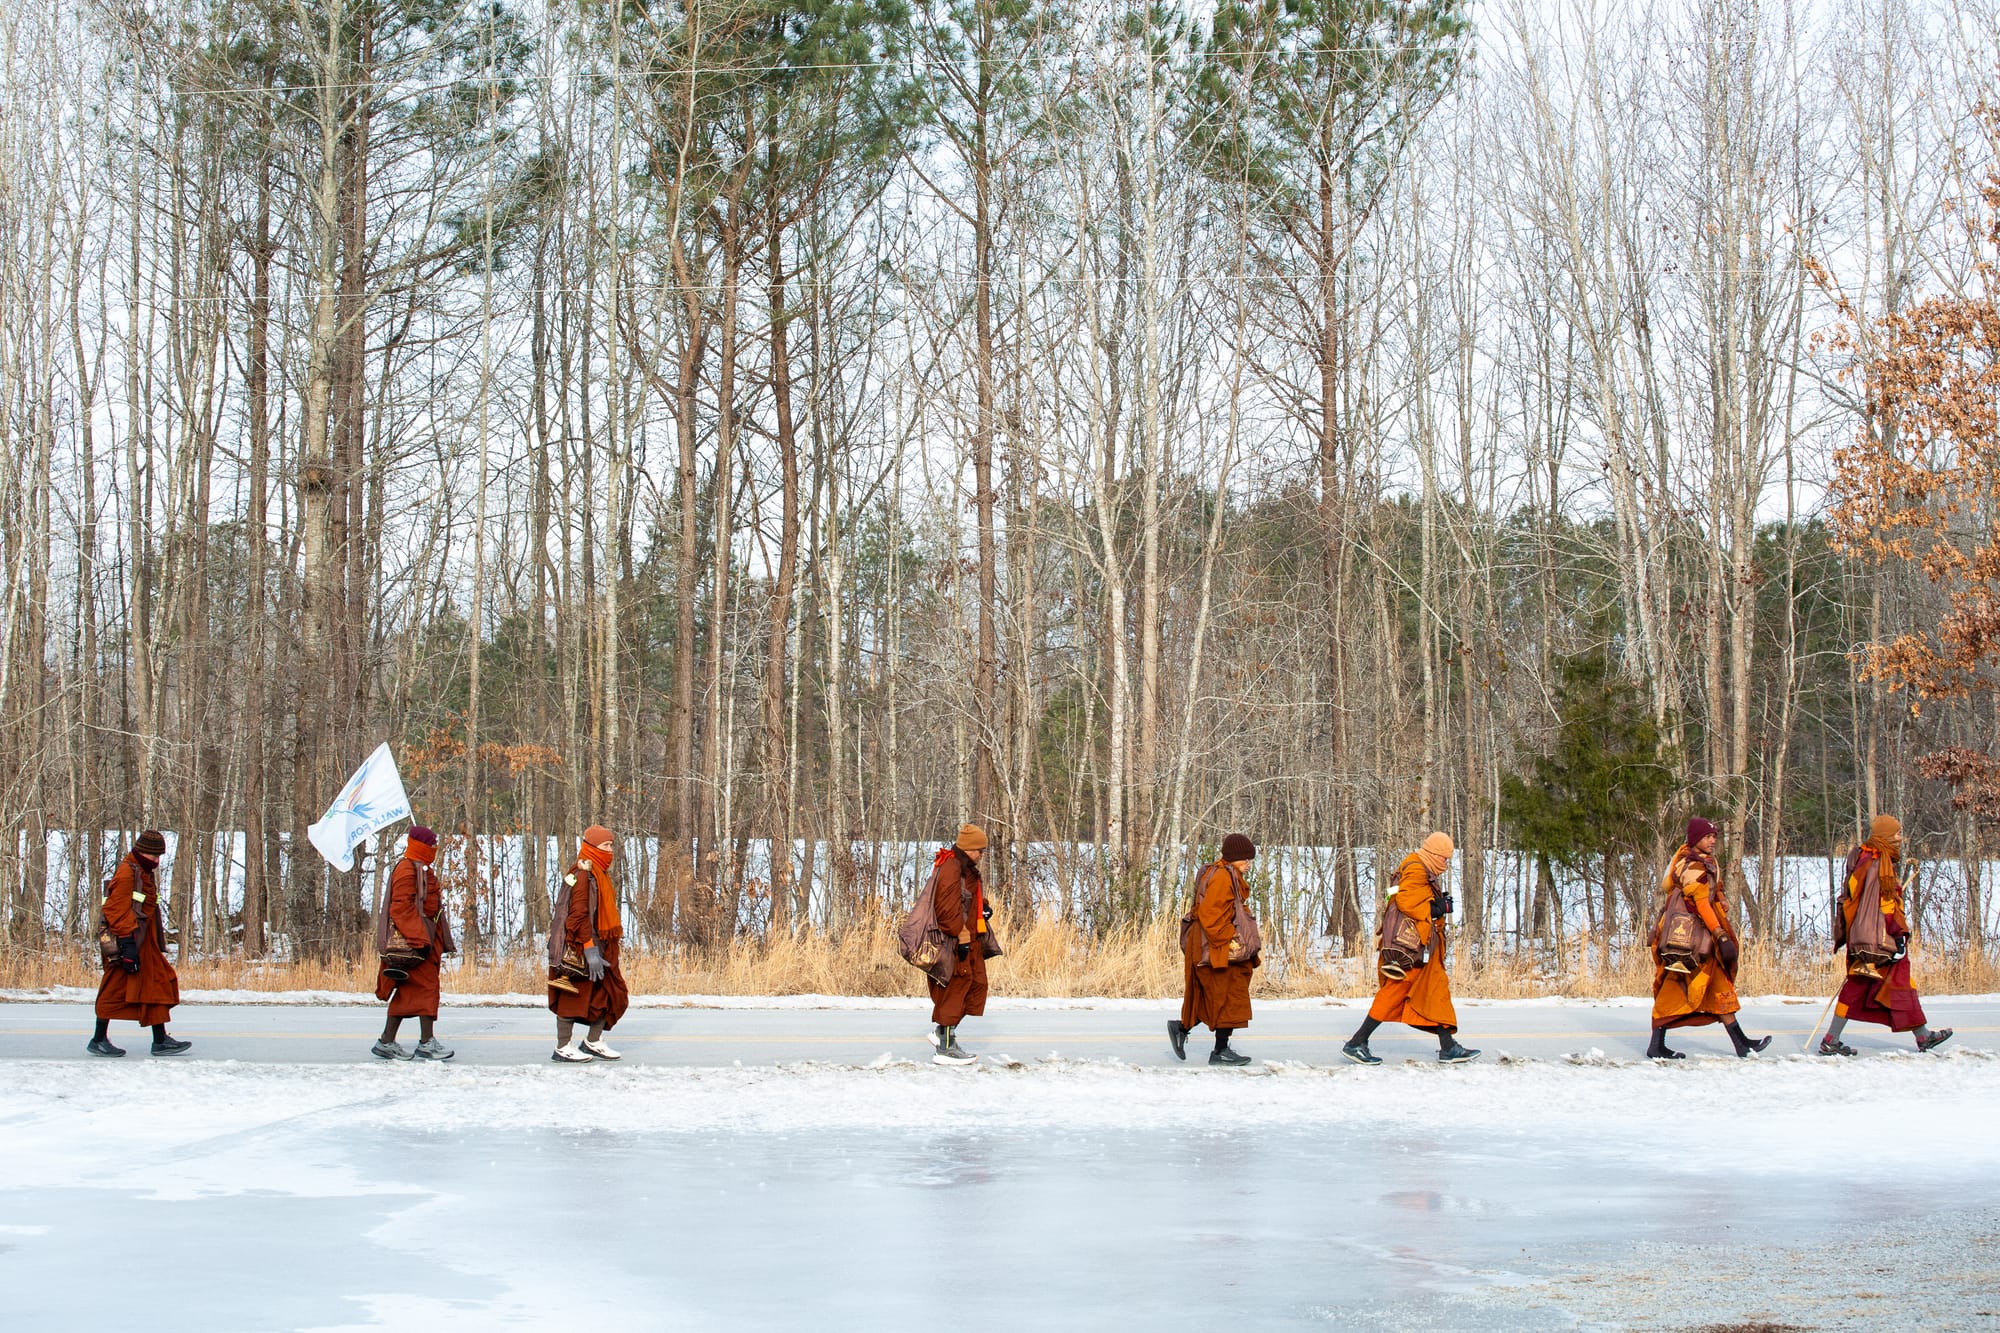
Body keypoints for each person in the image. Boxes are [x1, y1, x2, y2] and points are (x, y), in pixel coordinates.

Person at [1343, 832, 1479, 1065]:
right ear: (1434, 854)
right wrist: (1438, 908)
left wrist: (1436, 904)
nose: (1445, 863)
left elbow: (1405, 897)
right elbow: (1406, 902)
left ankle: (1448, 1047)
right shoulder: (1417, 869)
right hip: (1413, 949)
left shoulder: (1420, 867)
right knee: (1394, 992)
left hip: (1425, 947)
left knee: (1437, 991)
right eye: (1444, 858)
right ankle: (1357, 1042)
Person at [1821, 815, 1952, 1056]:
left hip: (1861, 936)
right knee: (1895, 983)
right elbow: (1886, 905)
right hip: (1880, 940)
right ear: (1886, 836)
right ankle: (1922, 1037)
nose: (1900, 838)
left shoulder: (1863, 858)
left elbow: (1854, 898)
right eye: (1897, 833)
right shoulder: (1879, 863)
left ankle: (1832, 1039)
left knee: (1867, 984)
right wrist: (1898, 935)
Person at [1646, 817, 1770, 1060]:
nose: (1712, 841)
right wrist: (1720, 935)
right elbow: (1702, 904)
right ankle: (1656, 1045)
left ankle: (1741, 1044)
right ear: (1695, 839)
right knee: (1675, 988)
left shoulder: (1704, 861)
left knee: (1718, 985)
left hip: (1701, 938)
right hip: (1688, 941)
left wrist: (1721, 896)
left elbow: (1714, 887)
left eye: (1714, 836)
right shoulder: (1693, 866)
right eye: (1707, 837)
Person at [88, 830, 190, 1057]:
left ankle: (160, 1040)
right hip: (129, 942)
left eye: (159, 856)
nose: (156, 861)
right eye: (154, 855)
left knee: (157, 983)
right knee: (113, 988)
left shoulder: (143, 872)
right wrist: (128, 947)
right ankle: (98, 1039)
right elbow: (115, 910)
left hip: (145, 942)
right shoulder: (127, 873)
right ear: (142, 852)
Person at [1169, 832, 1260, 1067]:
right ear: (1233, 858)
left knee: (1220, 997)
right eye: (1245, 859)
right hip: (1216, 948)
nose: (1248, 864)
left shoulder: (1226, 873)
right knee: (1227, 997)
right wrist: (1232, 938)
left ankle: (1185, 1029)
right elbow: (1210, 915)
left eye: (1250, 859)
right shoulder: (1222, 877)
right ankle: (1218, 1050)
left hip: (1212, 946)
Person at [372, 824, 457, 1061]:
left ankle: (386, 1041)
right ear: (421, 846)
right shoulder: (407, 869)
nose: (434, 849)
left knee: (408, 993)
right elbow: (400, 909)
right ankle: (426, 1042)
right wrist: (420, 938)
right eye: (431, 845)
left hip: (424, 943)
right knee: (426, 989)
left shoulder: (421, 869)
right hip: (415, 945)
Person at [548, 824, 630, 1063]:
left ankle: (593, 1041)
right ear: (591, 846)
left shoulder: (599, 874)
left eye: (611, 845)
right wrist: (588, 948)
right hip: (583, 947)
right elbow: (578, 916)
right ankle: (563, 1047)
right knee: (574, 995)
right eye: (605, 845)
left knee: (608, 993)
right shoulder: (583, 875)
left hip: (603, 945)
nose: (610, 850)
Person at [926, 824, 992, 1066]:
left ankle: (942, 1034)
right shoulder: (951, 868)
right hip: (955, 941)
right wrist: (961, 937)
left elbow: (966, 898)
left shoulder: (965, 868)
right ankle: (945, 1049)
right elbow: (946, 910)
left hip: (970, 939)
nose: (982, 854)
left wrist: (983, 907)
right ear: (969, 848)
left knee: (975, 986)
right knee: (955, 991)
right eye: (980, 850)